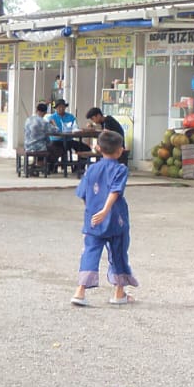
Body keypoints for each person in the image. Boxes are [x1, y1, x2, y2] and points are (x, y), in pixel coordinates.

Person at [71, 131, 138, 307]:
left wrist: (93, 210)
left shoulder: (91, 169)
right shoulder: (120, 169)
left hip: (93, 220)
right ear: (120, 150)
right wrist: (106, 210)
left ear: (98, 148)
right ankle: (119, 293)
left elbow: (83, 193)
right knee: (118, 253)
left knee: (90, 251)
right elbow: (115, 190)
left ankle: (80, 291)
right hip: (116, 219)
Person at [50, 99, 91, 174]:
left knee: (85, 148)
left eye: (63, 107)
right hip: (56, 140)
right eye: (59, 107)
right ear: (56, 108)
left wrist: (75, 130)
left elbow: (75, 127)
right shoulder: (51, 117)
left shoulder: (70, 117)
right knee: (53, 148)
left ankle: (78, 168)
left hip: (69, 140)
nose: (61, 108)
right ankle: (52, 167)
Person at [24, 102, 55, 174]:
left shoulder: (28, 119)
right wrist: (53, 123)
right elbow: (56, 130)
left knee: (45, 144)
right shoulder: (43, 122)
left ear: (36, 110)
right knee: (54, 149)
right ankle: (41, 165)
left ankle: (34, 164)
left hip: (27, 146)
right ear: (45, 112)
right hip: (38, 147)